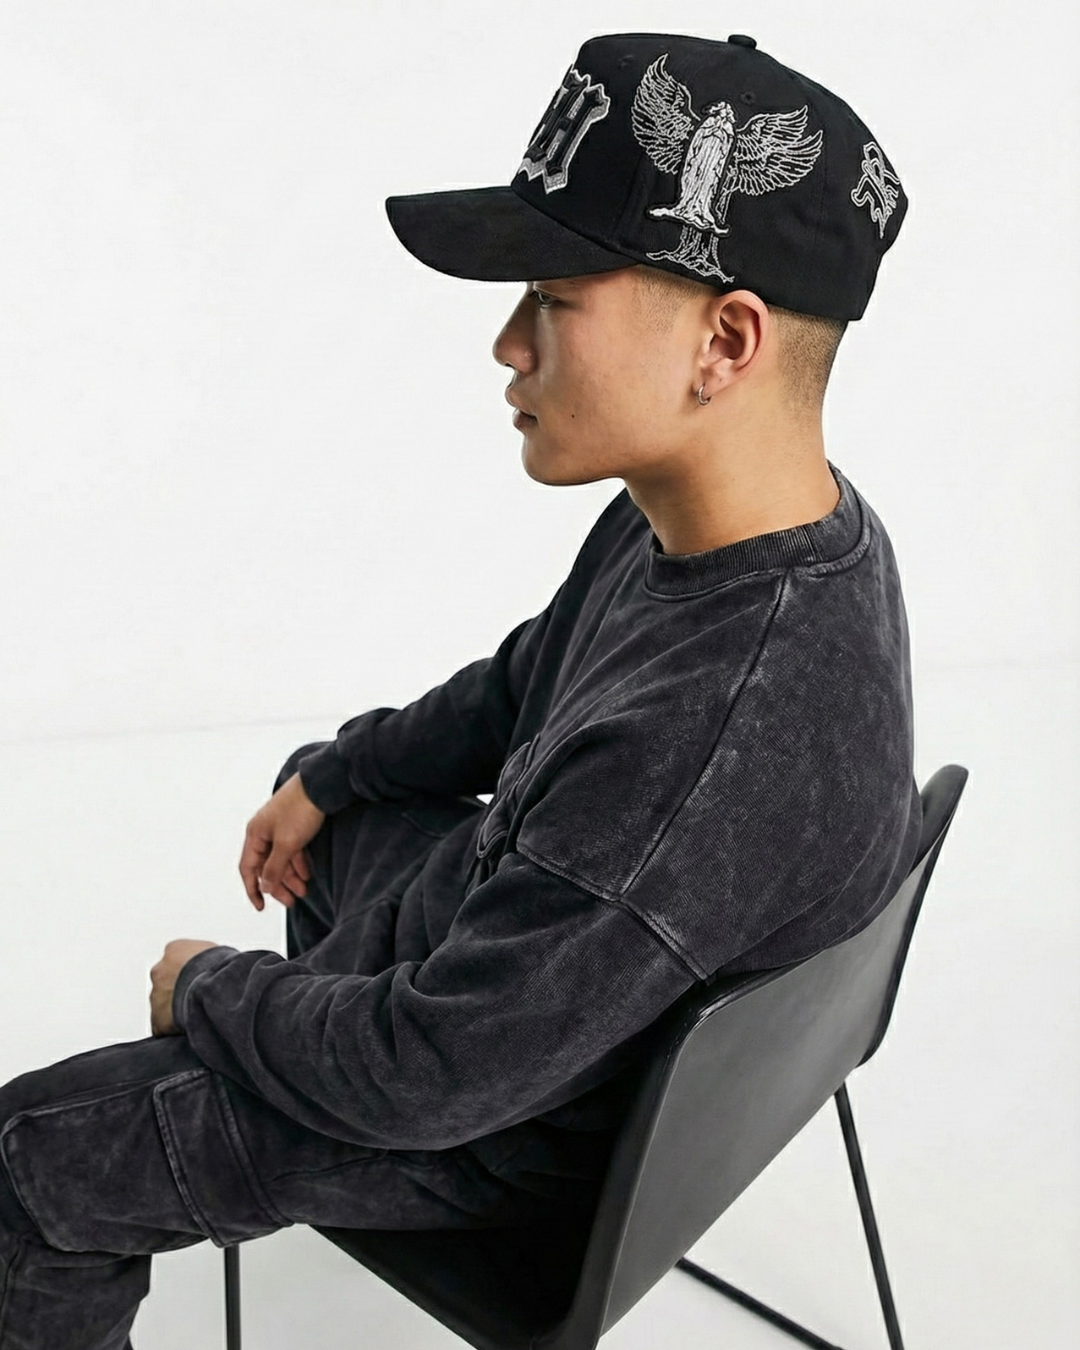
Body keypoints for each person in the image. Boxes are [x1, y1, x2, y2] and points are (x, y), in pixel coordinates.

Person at [0, 30, 919, 1348]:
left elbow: (430, 1073)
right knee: (330, 810)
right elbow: (525, 684)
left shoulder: (713, 735)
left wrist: (212, 991)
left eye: (553, 299)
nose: (506, 345)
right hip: (540, 1001)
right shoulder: (750, 523)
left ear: (724, 340)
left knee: (30, 1165)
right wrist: (340, 773)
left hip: (509, 1128)